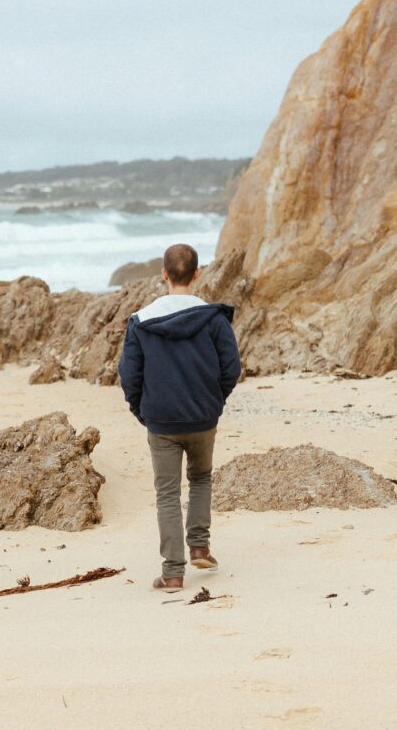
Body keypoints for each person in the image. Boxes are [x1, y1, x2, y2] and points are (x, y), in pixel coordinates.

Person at [118, 243, 241, 593]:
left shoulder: (142, 322)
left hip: (162, 421)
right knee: (201, 479)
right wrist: (215, 401)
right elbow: (231, 368)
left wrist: (142, 410)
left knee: (168, 493)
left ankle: (173, 572)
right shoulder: (213, 319)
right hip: (203, 417)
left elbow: (129, 375)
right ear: (198, 273)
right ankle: (199, 546)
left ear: (164, 275)